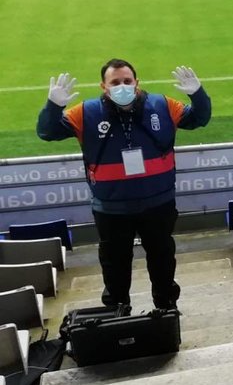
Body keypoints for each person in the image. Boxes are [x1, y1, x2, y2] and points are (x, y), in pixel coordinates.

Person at [37, 60, 211, 312]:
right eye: (115, 82)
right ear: (104, 86)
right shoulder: (85, 112)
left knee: (162, 259)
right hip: (111, 209)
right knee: (114, 264)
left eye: (127, 81)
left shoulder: (162, 105)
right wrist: (54, 106)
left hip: (158, 204)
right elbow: (47, 132)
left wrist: (198, 94)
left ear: (137, 83)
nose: (122, 86)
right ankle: (117, 311)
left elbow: (199, 119)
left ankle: (166, 307)